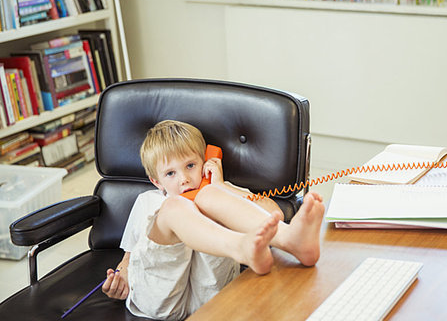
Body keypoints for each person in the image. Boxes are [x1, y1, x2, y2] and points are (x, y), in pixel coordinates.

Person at [101, 120, 324, 320]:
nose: (185, 179)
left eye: (190, 165)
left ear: (205, 161)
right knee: (175, 206)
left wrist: (221, 186)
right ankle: (240, 247)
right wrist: (121, 278)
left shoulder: (218, 189)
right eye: (171, 174)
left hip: (210, 298)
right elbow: (129, 257)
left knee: (206, 197)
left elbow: (275, 211)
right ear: (156, 181)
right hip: (159, 300)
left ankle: (292, 241)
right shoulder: (148, 201)